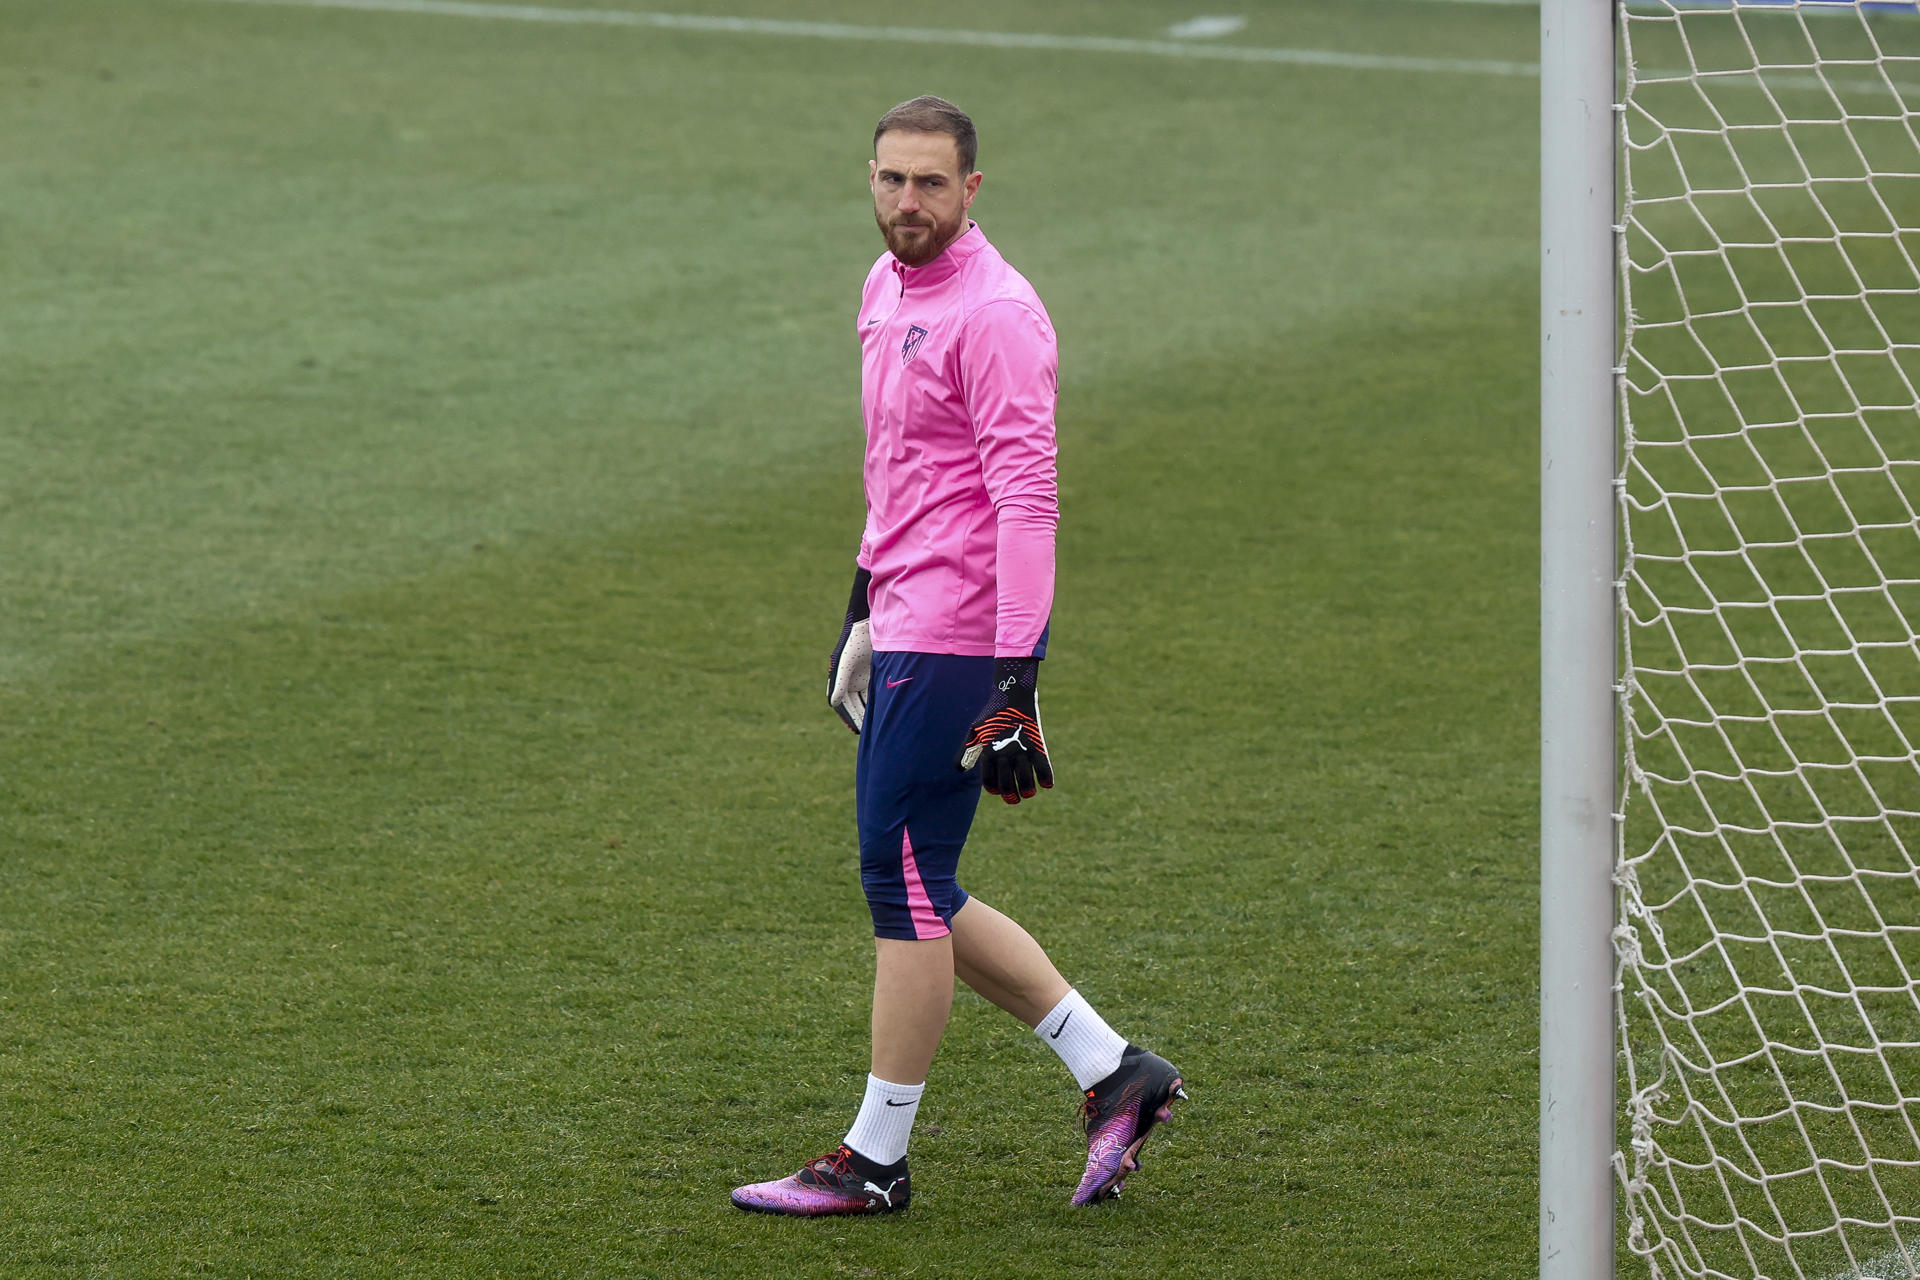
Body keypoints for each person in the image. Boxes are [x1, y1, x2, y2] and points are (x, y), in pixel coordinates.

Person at [730, 96, 1186, 1218]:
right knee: (921, 877)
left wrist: (1016, 680)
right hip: (905, 618)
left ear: (971, 189)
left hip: (959, 641)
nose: (907, 203)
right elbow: (897, 473)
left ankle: (876, 1157)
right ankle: (1115, 1070)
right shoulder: (885, 289)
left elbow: (1028, 501)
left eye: (930, 183)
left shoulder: (998, 313)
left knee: (901, 882)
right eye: (890, 179)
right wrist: (858, 604)